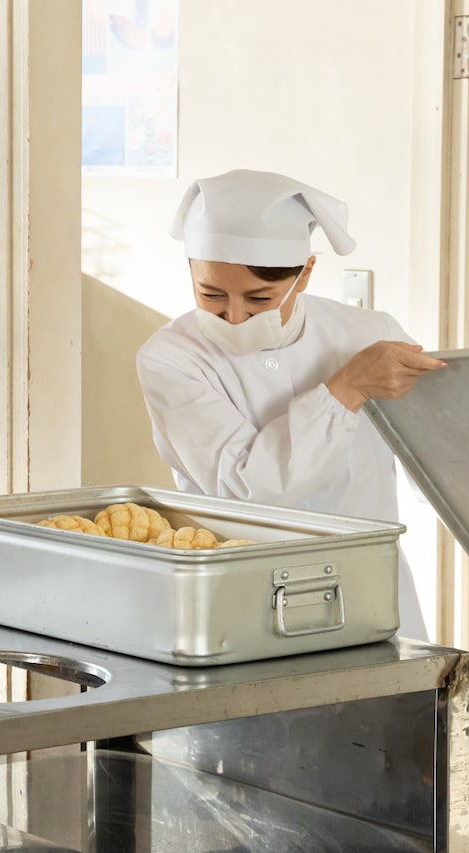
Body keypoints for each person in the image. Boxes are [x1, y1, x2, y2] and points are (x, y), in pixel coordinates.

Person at [136, 168, 444, 640]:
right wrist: (346, 388)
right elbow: (247, 492)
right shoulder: (172, 358)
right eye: (210, 293)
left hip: (369, 590)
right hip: (244, 595)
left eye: (260, 298)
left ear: (305, 276)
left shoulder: (368, 334)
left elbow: (444, 461)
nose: (235, 316)